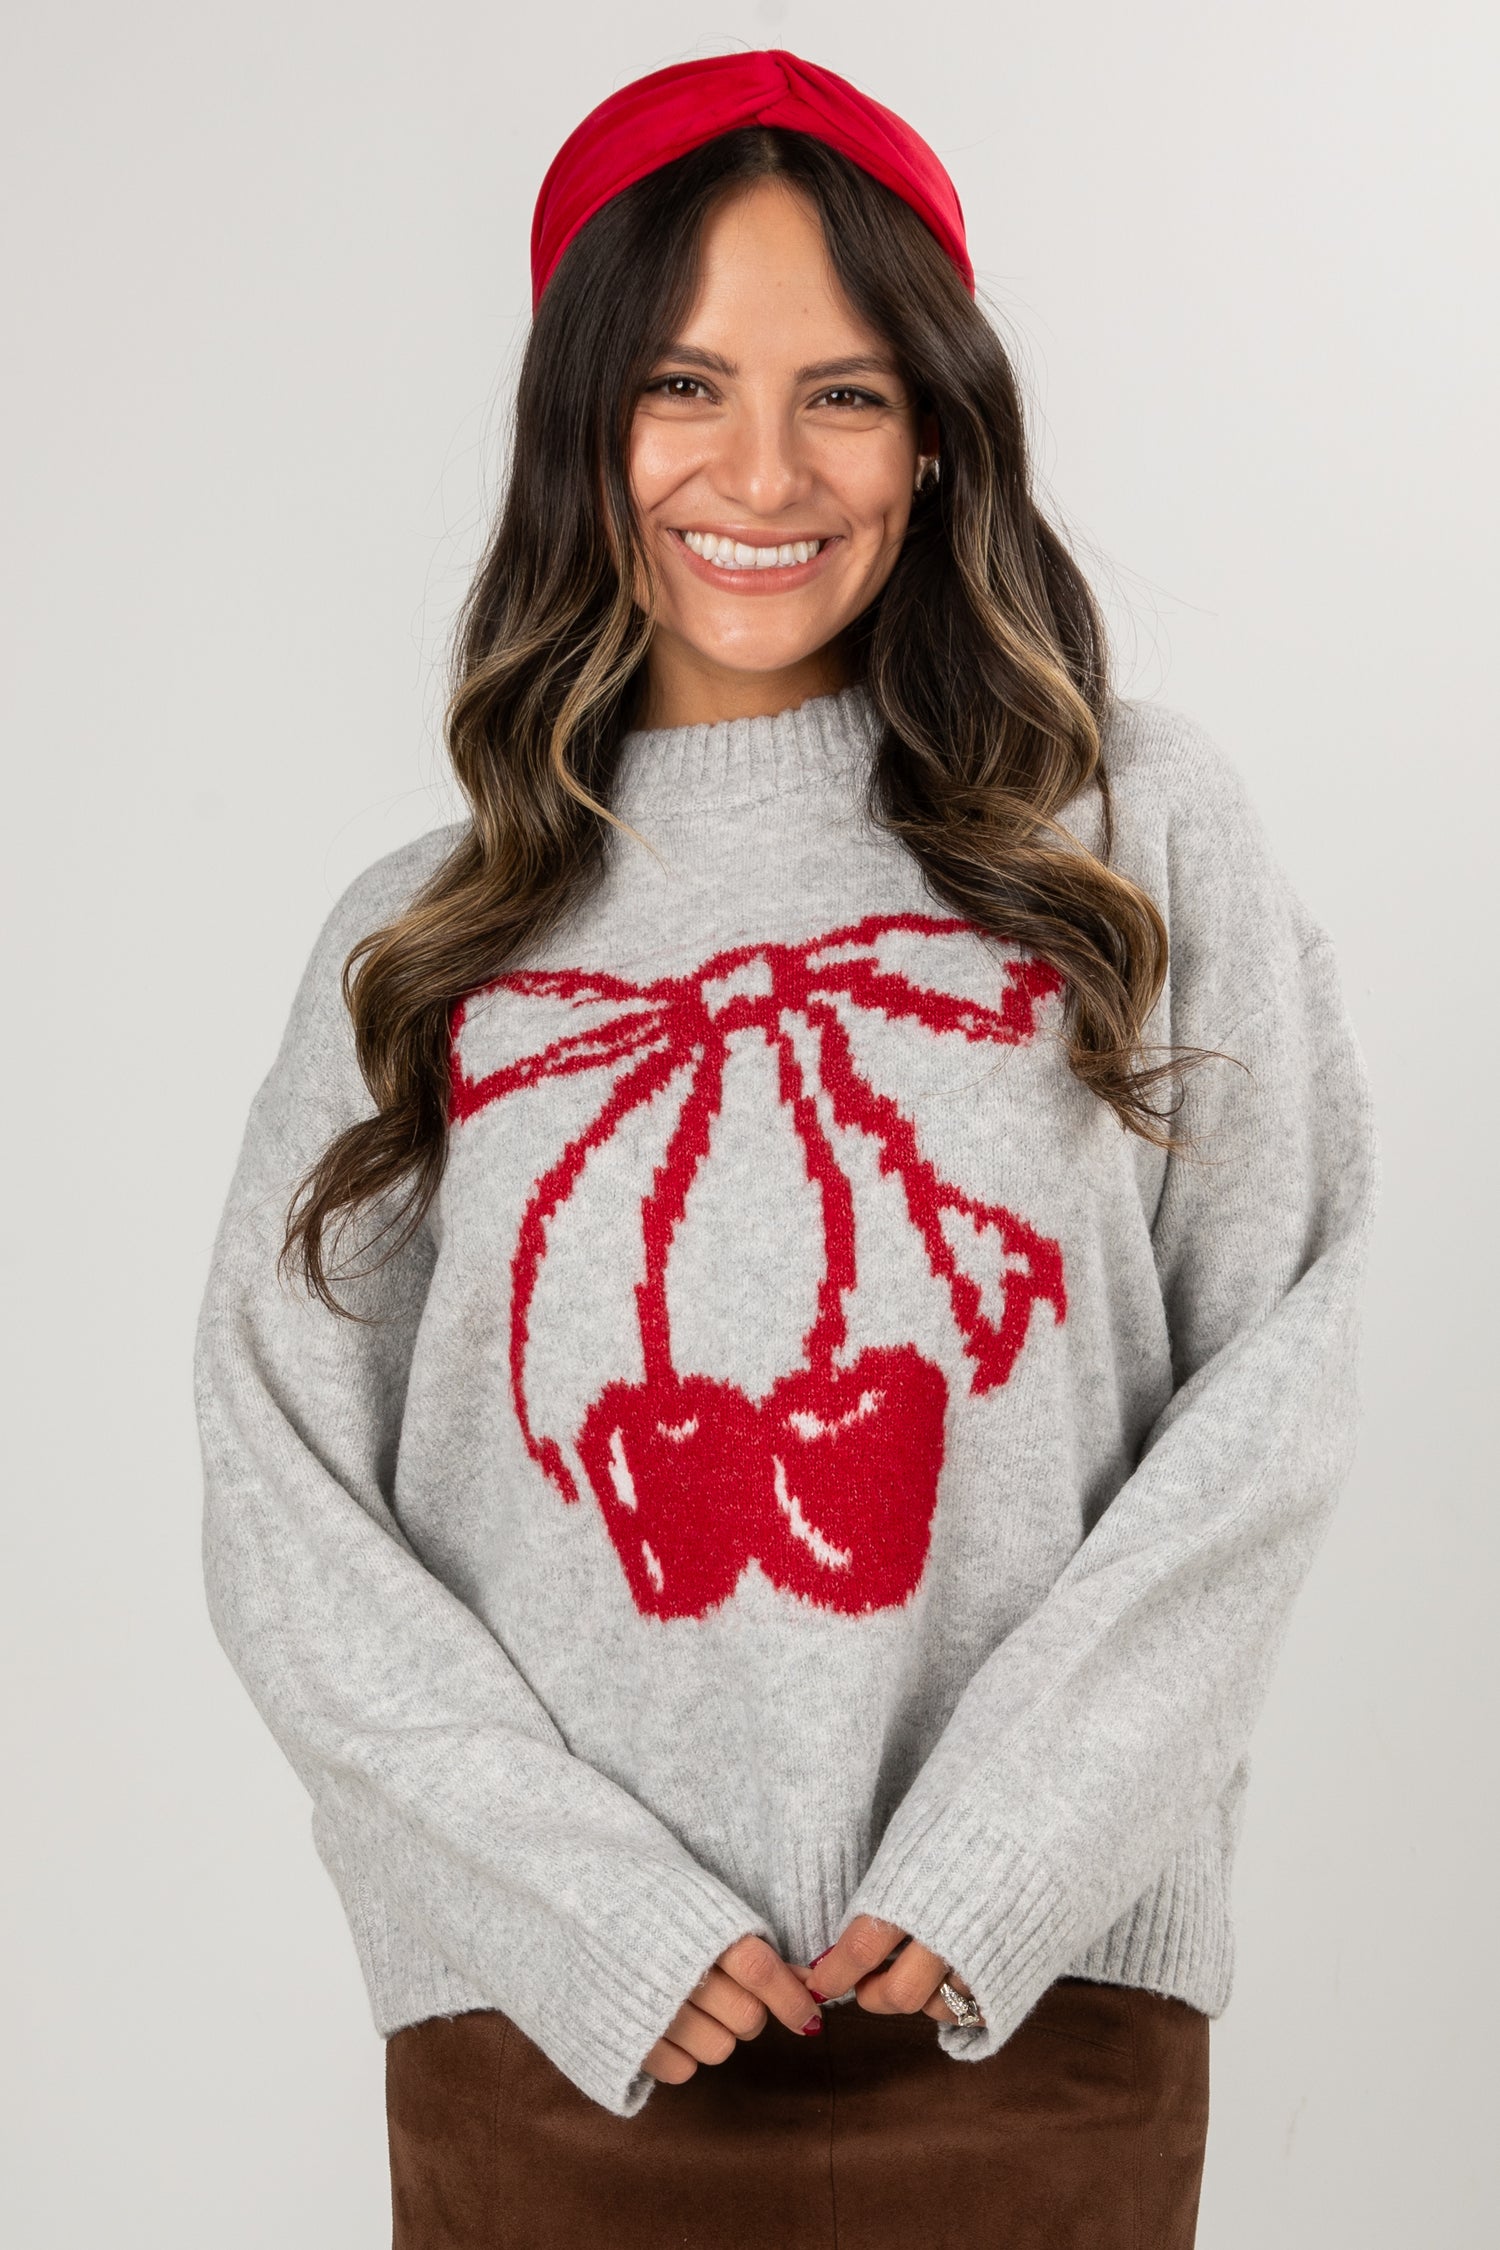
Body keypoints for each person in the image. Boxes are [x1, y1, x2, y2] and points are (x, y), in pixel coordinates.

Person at [194, 47, 1377, 2250]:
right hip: (557, 2043)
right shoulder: (422, 943)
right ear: (580, 428)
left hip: (1029, 2025)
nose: (762, 469)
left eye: (841, 392)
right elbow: (286, 1513)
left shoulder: (1124, 836)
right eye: (680, 387)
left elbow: (1279, 1378)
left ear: (935, 435)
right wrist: (582, 1915)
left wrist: (1015, 1851)